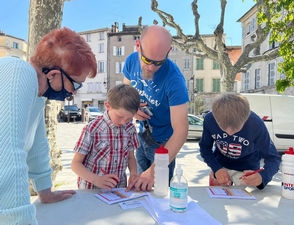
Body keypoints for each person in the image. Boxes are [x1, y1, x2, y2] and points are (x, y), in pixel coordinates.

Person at [0, 27, 97, 224]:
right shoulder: (18, 70)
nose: (75, 93)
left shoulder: (37, 97)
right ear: (53, 74)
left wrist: (45, 191)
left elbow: (37, 146)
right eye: (75, 84)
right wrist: (21, 220)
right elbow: (7, 154)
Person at [123, 25, 189, 191]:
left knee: (159, 194)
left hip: (163, 146)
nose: (151, 67)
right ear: (138, 46)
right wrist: (133, 108)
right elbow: (126, 93)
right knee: (137, 190)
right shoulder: (131, 61)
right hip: (140, 137)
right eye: (147, 60)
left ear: (169, 51)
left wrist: (156, 169)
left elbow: (181, 131)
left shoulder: (175, 80)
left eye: (158, 62)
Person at [199, 93, 281, 189]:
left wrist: (262, 176)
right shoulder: (210, 119)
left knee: (245, 203)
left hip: (247, 171)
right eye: (223, 128)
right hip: (220, 166)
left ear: (246, 119)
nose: (229, 133)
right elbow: (205, 148)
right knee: (215, 201)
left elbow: (273, 158)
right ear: (215, 119)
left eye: (235, 129)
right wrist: (216, 168)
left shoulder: (256, 124)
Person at [71, 84, 141, 190]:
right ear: (108, 106)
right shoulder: (92, 129)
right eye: (120, 116)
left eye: (129, 119)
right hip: (92, 189)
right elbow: (75, 164)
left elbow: (131, 157)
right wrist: (96, 179)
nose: (123, 122)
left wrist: (134, 174)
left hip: (118, 188)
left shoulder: (130, 129)